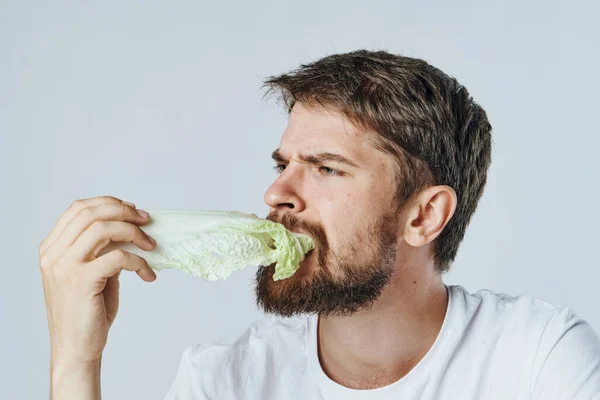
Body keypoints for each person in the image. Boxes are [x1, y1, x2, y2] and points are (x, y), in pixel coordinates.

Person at [39, 50, 600, 399]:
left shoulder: (537, 359)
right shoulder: (224, 381)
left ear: (424, 215)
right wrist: (74, 361)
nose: (277, 194)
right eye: (284, 165)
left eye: (327, 168)